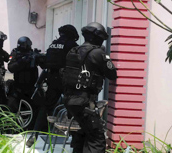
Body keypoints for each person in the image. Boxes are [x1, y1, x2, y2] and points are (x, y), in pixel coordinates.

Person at [62, 22, 117, 153]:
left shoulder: (73, 51)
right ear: (97, 37)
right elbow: (112, 74)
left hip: (70, 101)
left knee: (81, 135)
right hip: (85, 102)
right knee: (96, 138)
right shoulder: (97, 53)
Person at [26, 24, 79, 147]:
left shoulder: (53, 44)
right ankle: (75, 139)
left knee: (45, 107)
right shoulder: (71, 45)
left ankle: (34, 135)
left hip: (51, 79)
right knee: (73, 105)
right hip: (66, 79)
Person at [7, 36, 40, 113]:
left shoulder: (32, 54)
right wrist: (23, 61)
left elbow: (43, 64)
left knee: (36, 107)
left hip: (32, 86)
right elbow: (11, 68)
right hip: (18, 87)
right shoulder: (15, 53)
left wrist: (37, 57)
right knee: (14, 107)